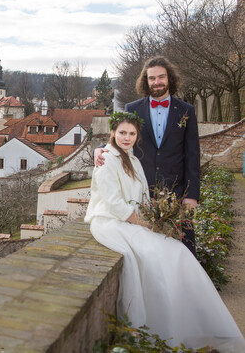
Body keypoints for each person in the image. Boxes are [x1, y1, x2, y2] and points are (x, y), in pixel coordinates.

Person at [85, 112, 245, 351]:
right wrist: (147, 224)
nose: (127, 138)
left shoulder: (133, 160)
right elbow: (114, 204)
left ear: (137, 136)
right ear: (113, 133)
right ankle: (165, 328)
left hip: (132, 221)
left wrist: (154, 219)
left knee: (178, 252)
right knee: (161, 254)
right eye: (122, 133)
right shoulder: (106, 158)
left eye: (131, 133)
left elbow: (142, 199)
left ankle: (197, 325)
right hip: (109, 222)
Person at [95, 56, 200, 255]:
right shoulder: (133, 109)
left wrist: (191, 195)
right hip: (142, 193)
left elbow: (193, 155)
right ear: (146, 80)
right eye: (152, 78)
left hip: (176, 194)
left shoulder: (186, 111)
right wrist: (99, 149)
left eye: (161, 77)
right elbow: (122, 139)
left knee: (185, 251)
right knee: (149, 252)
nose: (157, 82)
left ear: (170, 79)